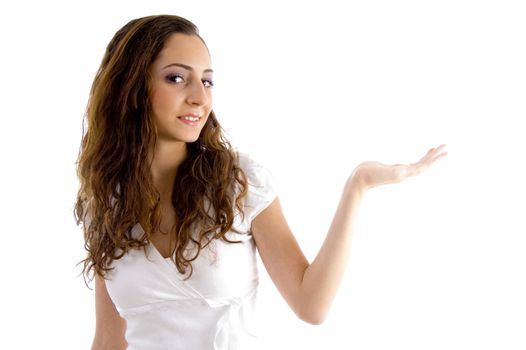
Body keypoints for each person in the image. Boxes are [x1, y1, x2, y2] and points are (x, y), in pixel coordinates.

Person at [74, 14, 447, 350]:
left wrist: (358, 185)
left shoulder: (238, 184)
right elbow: (108, 340)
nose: (200, 98)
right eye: (177, 78)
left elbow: (311, 305)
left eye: (207, 81)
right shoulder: (106, 205)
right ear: (132, 88)